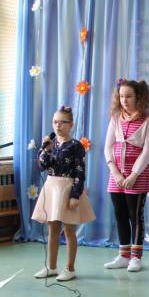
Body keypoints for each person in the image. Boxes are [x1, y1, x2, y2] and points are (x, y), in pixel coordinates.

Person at [32, 106, 96, 281]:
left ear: (71, 125)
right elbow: (41, 166)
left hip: (67, 188)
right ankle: (52, 267)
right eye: (55, 122)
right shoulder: (51, 144)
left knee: (68, 229)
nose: (58, 126)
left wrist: (75, 195)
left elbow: (80, 172)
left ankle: (70, 268)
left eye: (62, 122)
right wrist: (45, 149)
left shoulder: (76, 145)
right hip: (51, 187)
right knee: (52, 228)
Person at [104, 79, 149, 272]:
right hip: (116, 175)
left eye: (128, 96)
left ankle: (136, 257)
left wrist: (134, 174)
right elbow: (108, 147)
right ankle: (123, 255)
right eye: (121, 96)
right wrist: (115, 172)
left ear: (138, 97)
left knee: (135, 215)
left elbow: (148, 152)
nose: (124, 100)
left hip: (138, 175)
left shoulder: (148, 120)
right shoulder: (115, 118)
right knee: (120, 214)